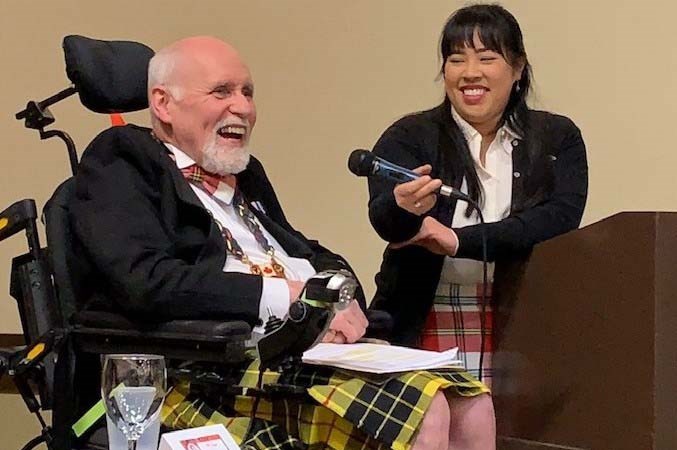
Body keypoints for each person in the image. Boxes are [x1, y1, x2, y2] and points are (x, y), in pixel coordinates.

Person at [70, 36, 495, 449]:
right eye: (222, 92)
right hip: (206, 367)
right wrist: (290, 296)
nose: (243, 107)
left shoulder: (244, 174)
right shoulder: (123, 158)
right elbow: (145, 280)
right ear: (163, 104)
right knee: (426, 411)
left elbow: (300, 250)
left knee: (472, 402)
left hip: (291, 351)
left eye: (247, 92)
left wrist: (337, 294)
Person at [367, 4, 588, 384]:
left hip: (525, 319)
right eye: (456, 60)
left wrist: (458, 240)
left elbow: (558, 219)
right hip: (422, 315)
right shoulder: (409, 135)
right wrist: (402, 207)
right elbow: (386, 219)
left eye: (487, 58)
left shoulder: (557, 137)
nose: (470, 73)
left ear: (517, 69)